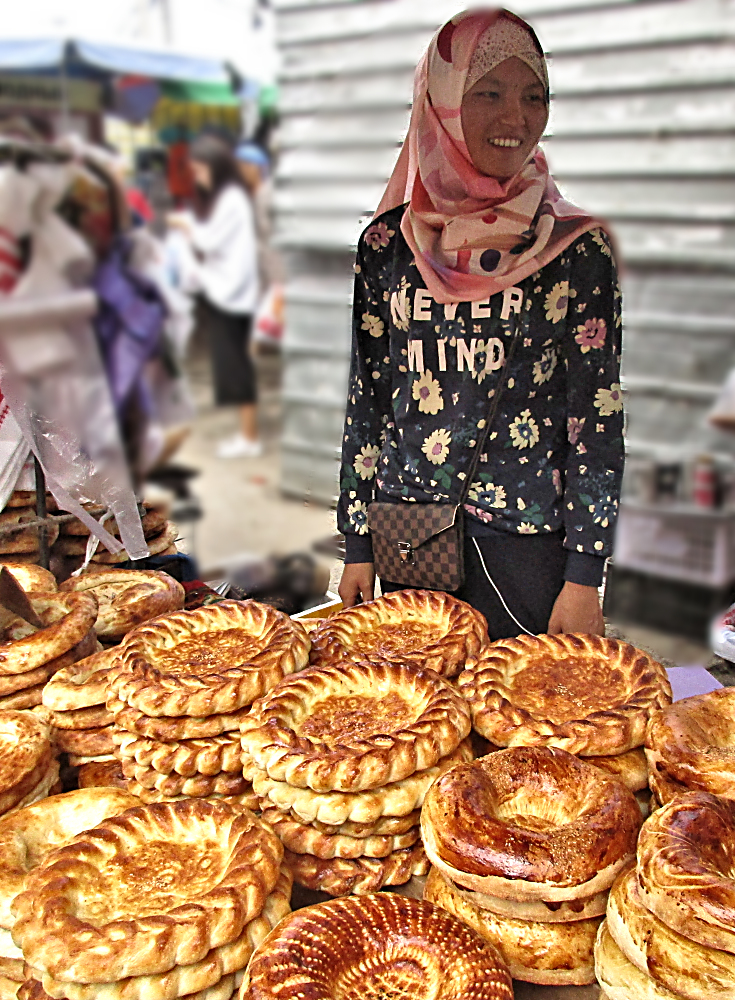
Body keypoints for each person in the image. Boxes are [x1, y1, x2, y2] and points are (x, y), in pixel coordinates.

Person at [337, 8, 624, 639]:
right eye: (488, 93)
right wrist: (355, 539)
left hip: (526, 545)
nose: (515, 119)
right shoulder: (388, 247)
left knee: (534, 724)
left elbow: (596, 420)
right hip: (410, 535)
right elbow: (370, 399)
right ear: (440, 101)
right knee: (418, 717)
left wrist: (585, 575)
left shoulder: (574, 250)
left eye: (533, 96)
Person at [172, 135, 261, 458]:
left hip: (233, 299)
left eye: (199, 170)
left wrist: (185, 226)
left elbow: (209, 242)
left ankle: (248, 439)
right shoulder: (229, 199)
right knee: (233, 370)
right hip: (229, 295)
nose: (197, 176)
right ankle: (246, 435)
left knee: (237, 371)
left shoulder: (231, 200)